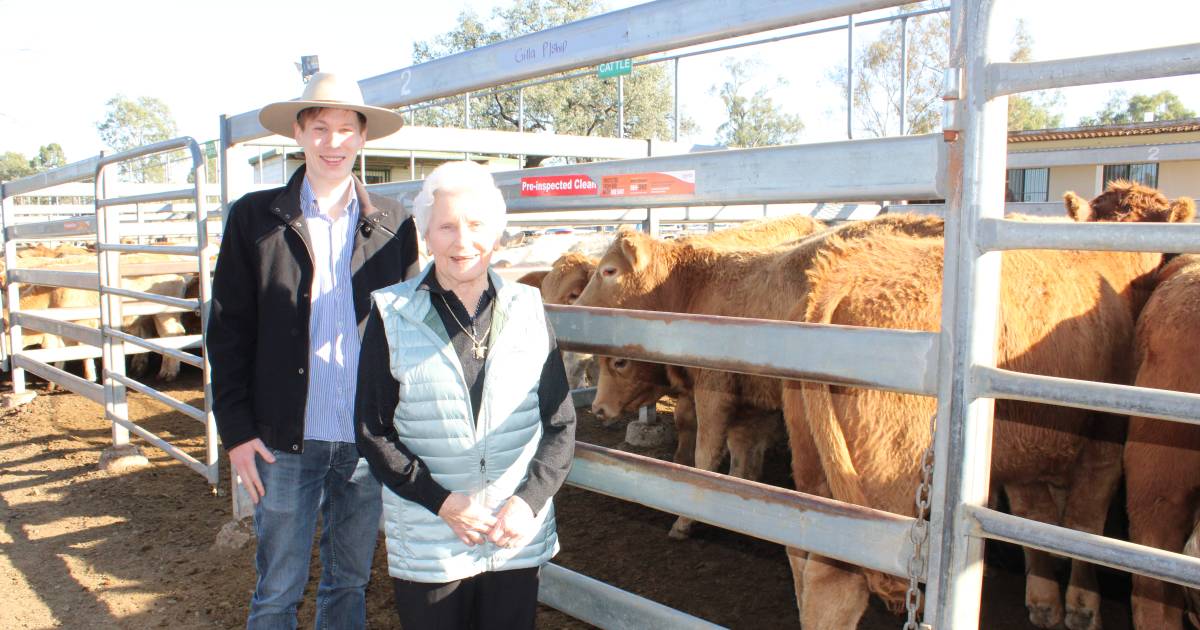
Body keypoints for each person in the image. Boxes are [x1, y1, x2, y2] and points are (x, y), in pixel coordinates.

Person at [207, 72, 417, 629]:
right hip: (283, 440)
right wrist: (238, 432)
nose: (333, 142)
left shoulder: (393, 223)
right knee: (278, 587)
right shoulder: (256, 219)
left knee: (350, 581)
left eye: (346, 129)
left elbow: (409, 326)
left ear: (363, 138)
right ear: (299, 133)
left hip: (364, 438)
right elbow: (227, 331)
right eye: (320, 127)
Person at [356, 160, 577, 629]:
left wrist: (529, 500)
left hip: (511, 533)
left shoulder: (528, 308)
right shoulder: (392, 313)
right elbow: (372, 431)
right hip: (430, 535)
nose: (463, 241)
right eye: (447, 226)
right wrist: (442, 502)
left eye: (477, 225)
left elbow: (560, 424)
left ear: (497, 234)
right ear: (426, 236)